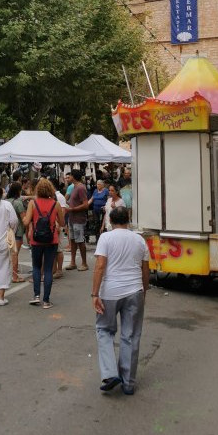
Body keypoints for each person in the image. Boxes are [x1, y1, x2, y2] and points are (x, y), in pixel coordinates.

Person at [92, 206, 150, 395]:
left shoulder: (106, 238)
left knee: (104, 330)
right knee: (130, 336)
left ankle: (110, 373)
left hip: (110, 292)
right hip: (135, 291)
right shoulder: (139, 240)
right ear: (128, 220)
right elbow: (145, 270)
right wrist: (144, 291)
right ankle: (128, 383)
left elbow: (100, 266)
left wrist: (94, 294)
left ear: (110, 219)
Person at [21, 178, 65, 309]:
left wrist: (24, 218)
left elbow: (26, 222)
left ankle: (36, 296)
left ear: (37, 190)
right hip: (52, 240)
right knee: (48, 269)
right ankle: (46, 300)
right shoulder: (55, 204)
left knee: (36, 267)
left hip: (36, 240)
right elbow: (62, 223)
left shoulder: (33, 203)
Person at [65, 169, 90, 271]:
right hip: (72, 218)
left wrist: (72, 209)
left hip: (78, 218)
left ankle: (84, 263)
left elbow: (86, 204)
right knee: (73, 241)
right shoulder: (74, 187)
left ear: (73, 177)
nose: (68, 178)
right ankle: (73, 262)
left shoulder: (80, 188)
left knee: (80, 241)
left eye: (69, 176)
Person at [7, 182, 27, 283]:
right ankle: (15, 276)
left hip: (6, 231)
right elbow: (24, 218)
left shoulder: (5, 201)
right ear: (19, 191)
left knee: (7, 255)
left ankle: (10, 274)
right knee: (15, 254)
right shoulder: (18, 203)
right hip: (17, 231)